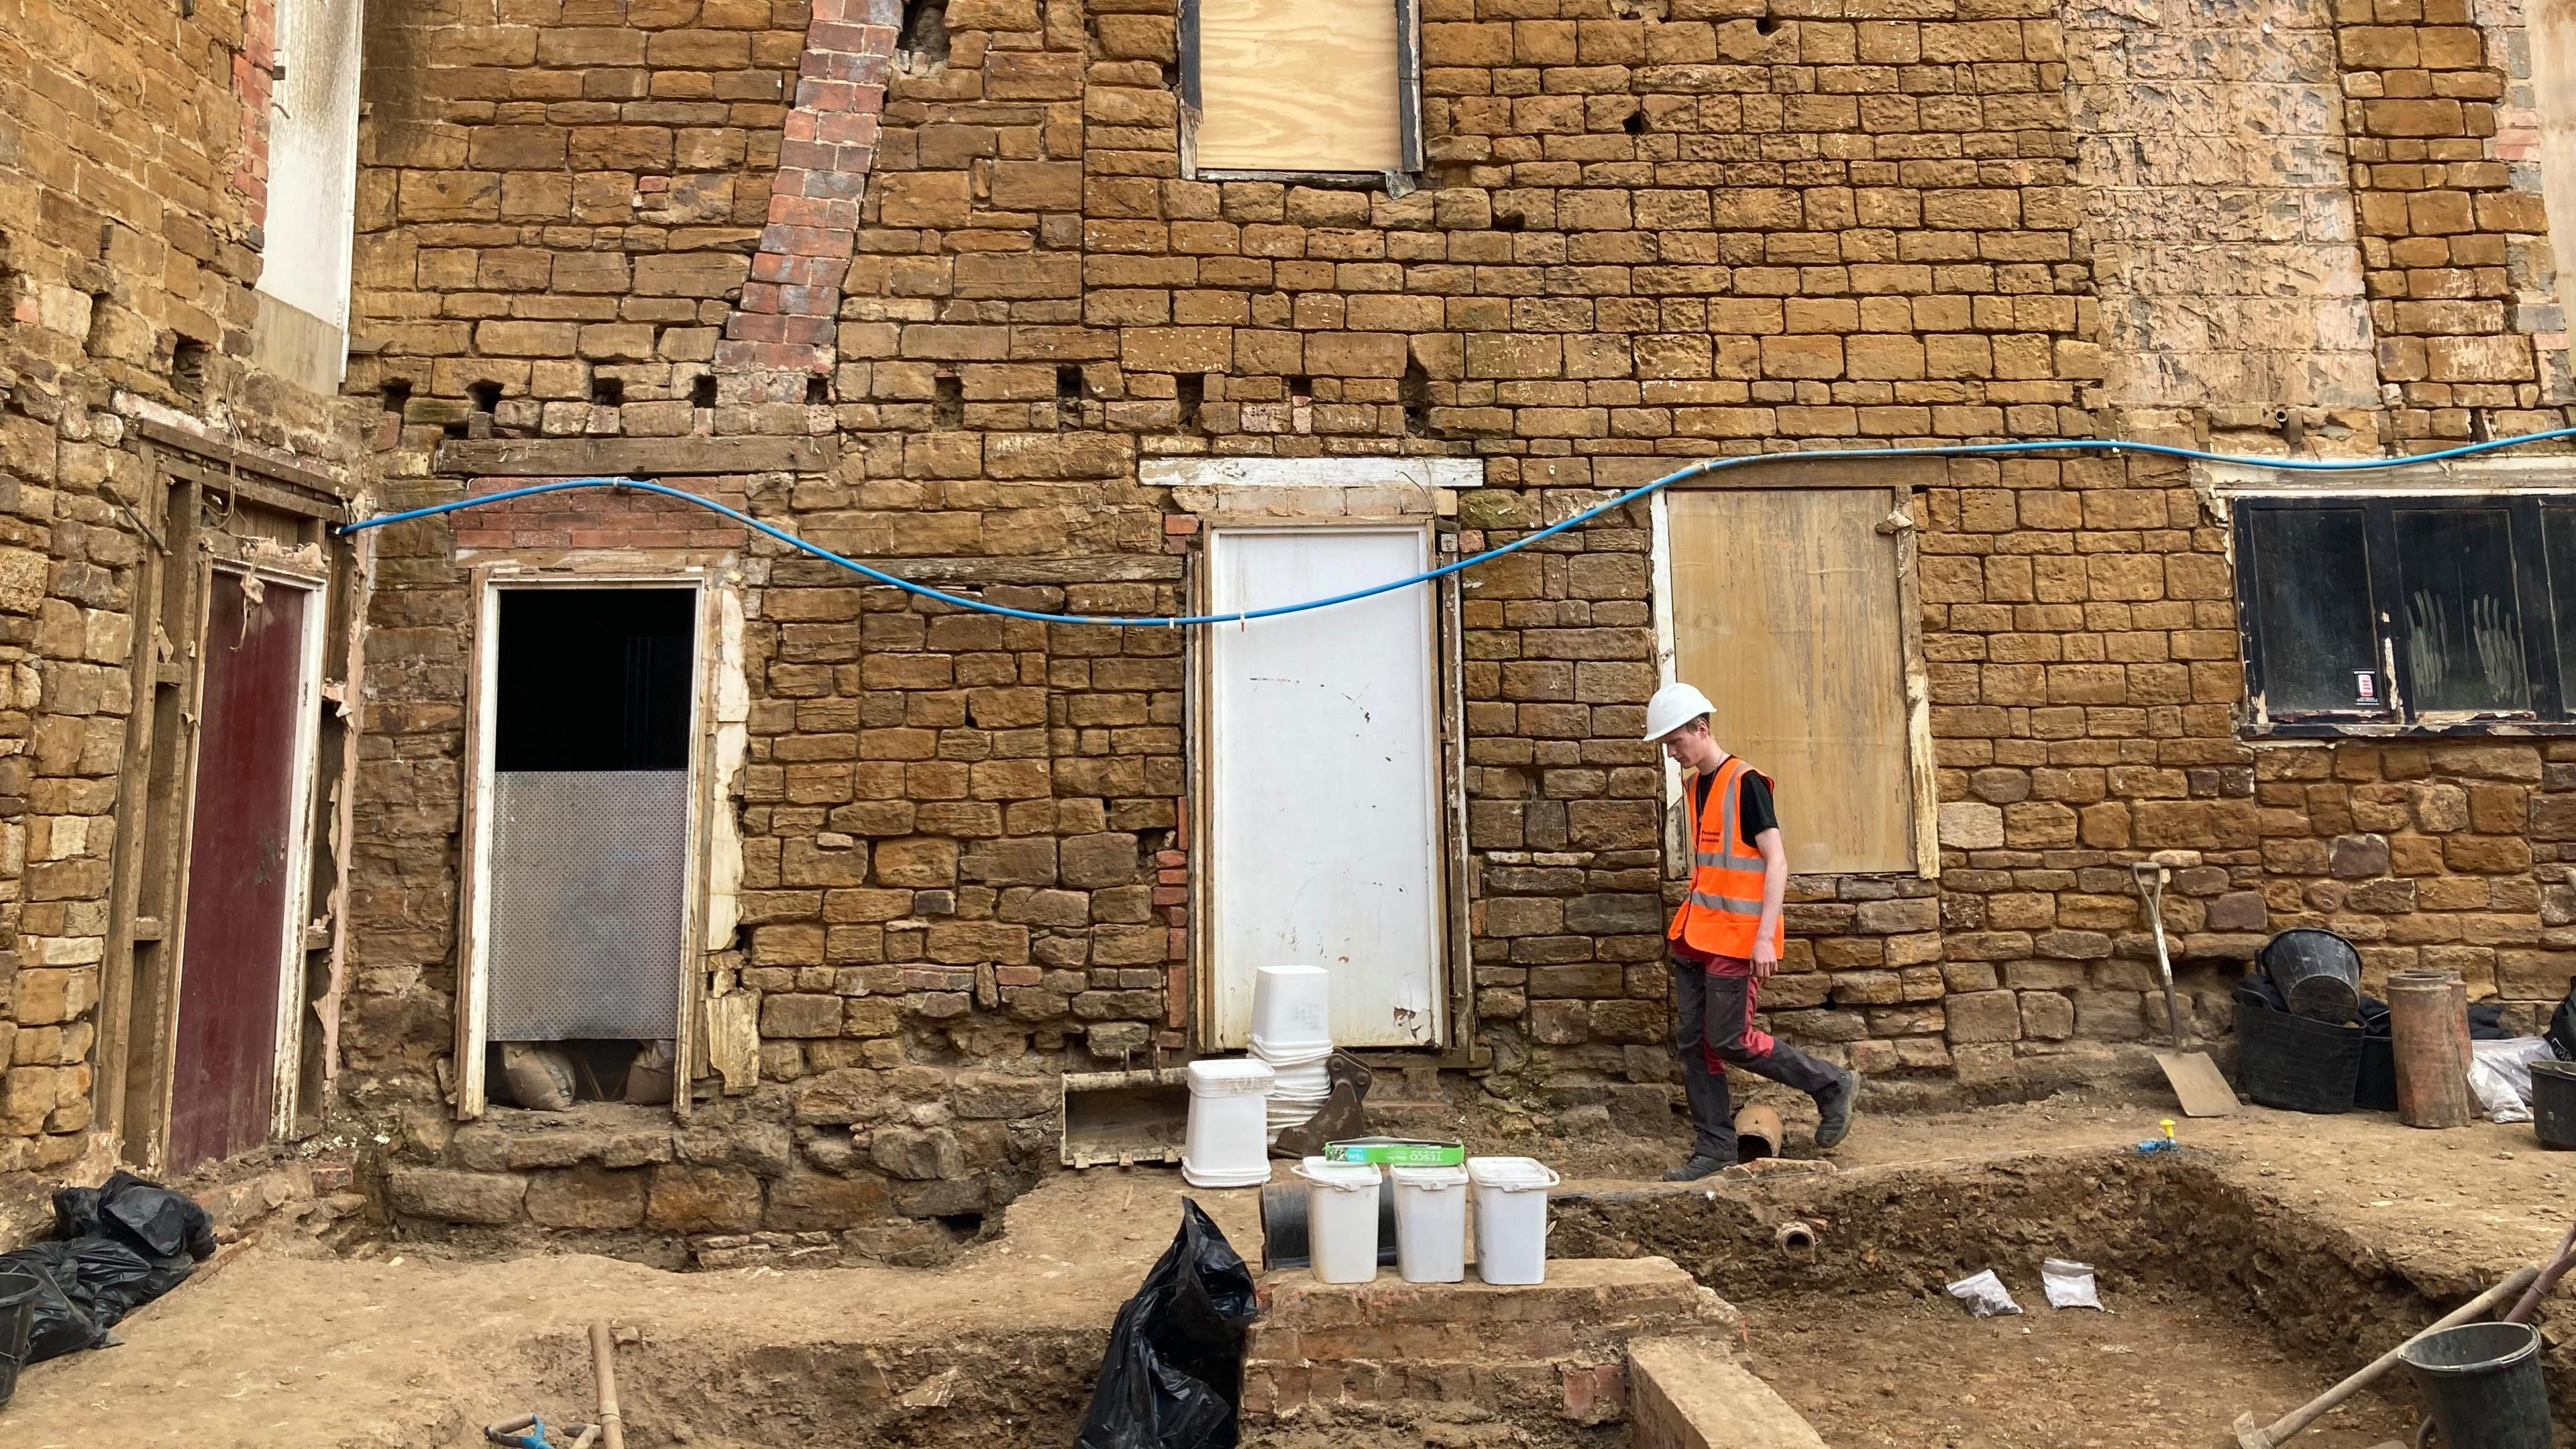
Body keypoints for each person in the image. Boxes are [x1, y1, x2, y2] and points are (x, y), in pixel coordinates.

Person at [1642, 680, 1858, 1180]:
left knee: (1730, 1039)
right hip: (1697, 934)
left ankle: (1831, 1085)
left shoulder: (1747, 783)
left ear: (1702, 729)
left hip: (1738, 939)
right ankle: (1714, 1147)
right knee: (1694, 1042)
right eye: (1667, 745)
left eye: (1676, 742)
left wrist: (1765, 936)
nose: (1672, 753)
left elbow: (1777, 861)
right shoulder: (1697, 786)